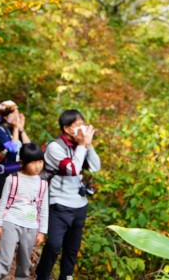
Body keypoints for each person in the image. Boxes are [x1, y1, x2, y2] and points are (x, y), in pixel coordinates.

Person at [35, 110, 101, 280]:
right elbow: (72, 169)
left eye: (83, 124)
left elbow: (95, 167)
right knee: (54, 245)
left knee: (72, 248)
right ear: (66, 128)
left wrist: (88, 144)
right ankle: (42, 275)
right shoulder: (54, 147)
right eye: (78, 126)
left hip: (80, 204)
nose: (82, 129)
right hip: (59, 203)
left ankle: (66, 276)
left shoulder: (80, 146)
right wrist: (81, 146)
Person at [0, 143, 48, 280]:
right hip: (11, 221)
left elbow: (43, 208)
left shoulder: (43, 183)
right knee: (5, 262)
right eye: (33, 162)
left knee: (24, 264)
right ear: (23, 163)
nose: (38, 166)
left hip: (31, 226)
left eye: (40, 162)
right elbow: (3, 202)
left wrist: (42, 231)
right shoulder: (12, 179)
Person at [0, 100, 30, 255]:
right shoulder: (0, 130)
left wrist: (21, 130)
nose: (17, 116)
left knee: (14, 206)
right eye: (14, 113)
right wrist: (16, 129)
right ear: (6, 115)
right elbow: (12, 149)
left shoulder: (13, 129)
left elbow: (29, 148)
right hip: (3, 172)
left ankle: (10, 239)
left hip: (18, 171)